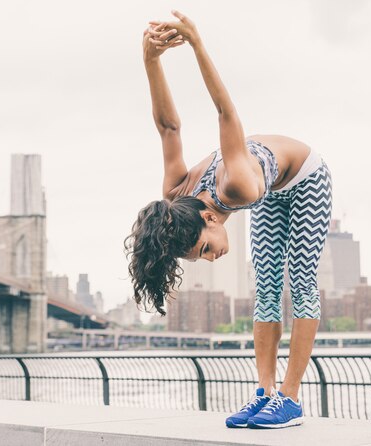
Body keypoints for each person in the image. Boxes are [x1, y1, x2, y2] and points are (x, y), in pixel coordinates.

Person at [124, 10, 332, 429]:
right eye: (200, 258)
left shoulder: (236, 186)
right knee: (268, 286)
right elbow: (168, 127)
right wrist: (151, 61)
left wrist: (198, 44)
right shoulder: (177, 195)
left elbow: (226, 113)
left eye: (204, 249)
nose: (211, 258)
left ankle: (290, 399)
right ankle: (265, 394)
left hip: (307, 176)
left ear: (209, 218)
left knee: (302, 281)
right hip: (270, 189)